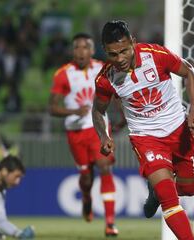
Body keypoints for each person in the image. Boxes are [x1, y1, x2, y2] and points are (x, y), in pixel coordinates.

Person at [92, 20, 194, 240]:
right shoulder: (105, 79)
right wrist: (104, 136)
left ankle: (156, 192)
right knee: (170, 200)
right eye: (113, 54)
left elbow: (188, 71)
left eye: (124, 51)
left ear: (133, 42)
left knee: (189, 189)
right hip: (146, 138)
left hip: (178, 129)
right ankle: (161, 191)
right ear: (105, 51)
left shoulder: (155, 55)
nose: (120, 59)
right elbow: (97, 111)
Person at [48, 33, 118, 237]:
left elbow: (117, 92)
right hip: (75, 132)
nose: (80, 52)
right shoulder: (63, 74)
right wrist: (73, 112)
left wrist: (123, 116)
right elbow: (52, 108)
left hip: (98, 128)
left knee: (105, 167)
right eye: (76, 48)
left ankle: (110, 223)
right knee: (86, 178)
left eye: (85, 47)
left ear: (92, 49)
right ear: (72, 51)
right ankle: (86, 197)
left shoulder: (103, 68)